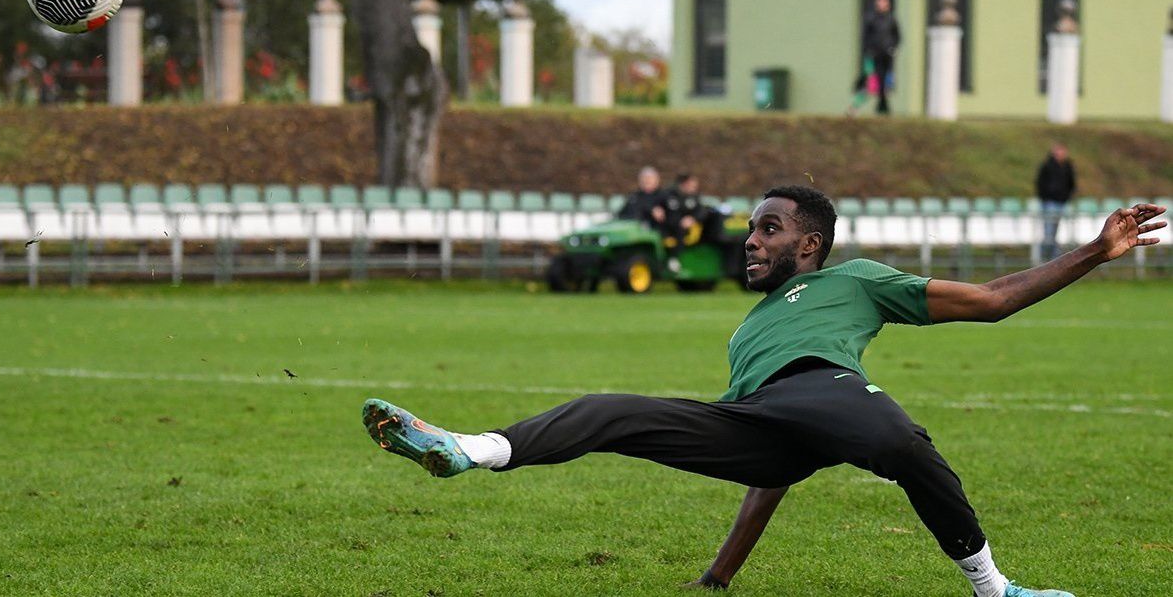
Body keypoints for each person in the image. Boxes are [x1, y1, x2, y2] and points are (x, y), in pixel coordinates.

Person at [361, 185, 1165, 597]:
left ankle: (993, 587)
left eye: (768, 228)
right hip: (762, 419)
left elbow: (992, 300)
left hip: (833, 392)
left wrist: (1094, 252)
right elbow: (768, 473)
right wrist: (717, 578)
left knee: (898, 442)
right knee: (611, 410)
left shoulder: (853, 280)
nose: (751, 239)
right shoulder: (747, 330)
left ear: (808, 243)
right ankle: (467, 449)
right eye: (750, 228)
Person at [847, 0, 900, 116]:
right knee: (870, 84)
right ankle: (854, 108)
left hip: (886, 58)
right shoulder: (870, 19)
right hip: (872, 58)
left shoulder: (892, 19)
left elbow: (897, 37)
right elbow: (864, 37)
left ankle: (882, 111)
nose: (882, 6)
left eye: (884, 3)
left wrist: (892, 49)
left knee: (885, 87)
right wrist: (868, 52)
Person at [1036, 144, 1077, 260]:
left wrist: (1067, 196)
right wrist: (1045, 198)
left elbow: (1071, 183)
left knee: (1056, 230)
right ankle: (1045, 256)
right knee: (1048, 230)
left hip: (1062, 202)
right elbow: (1040, 183)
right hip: (1050, 202)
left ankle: (1054, 256)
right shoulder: (1047, 165)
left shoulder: (1068, 166)